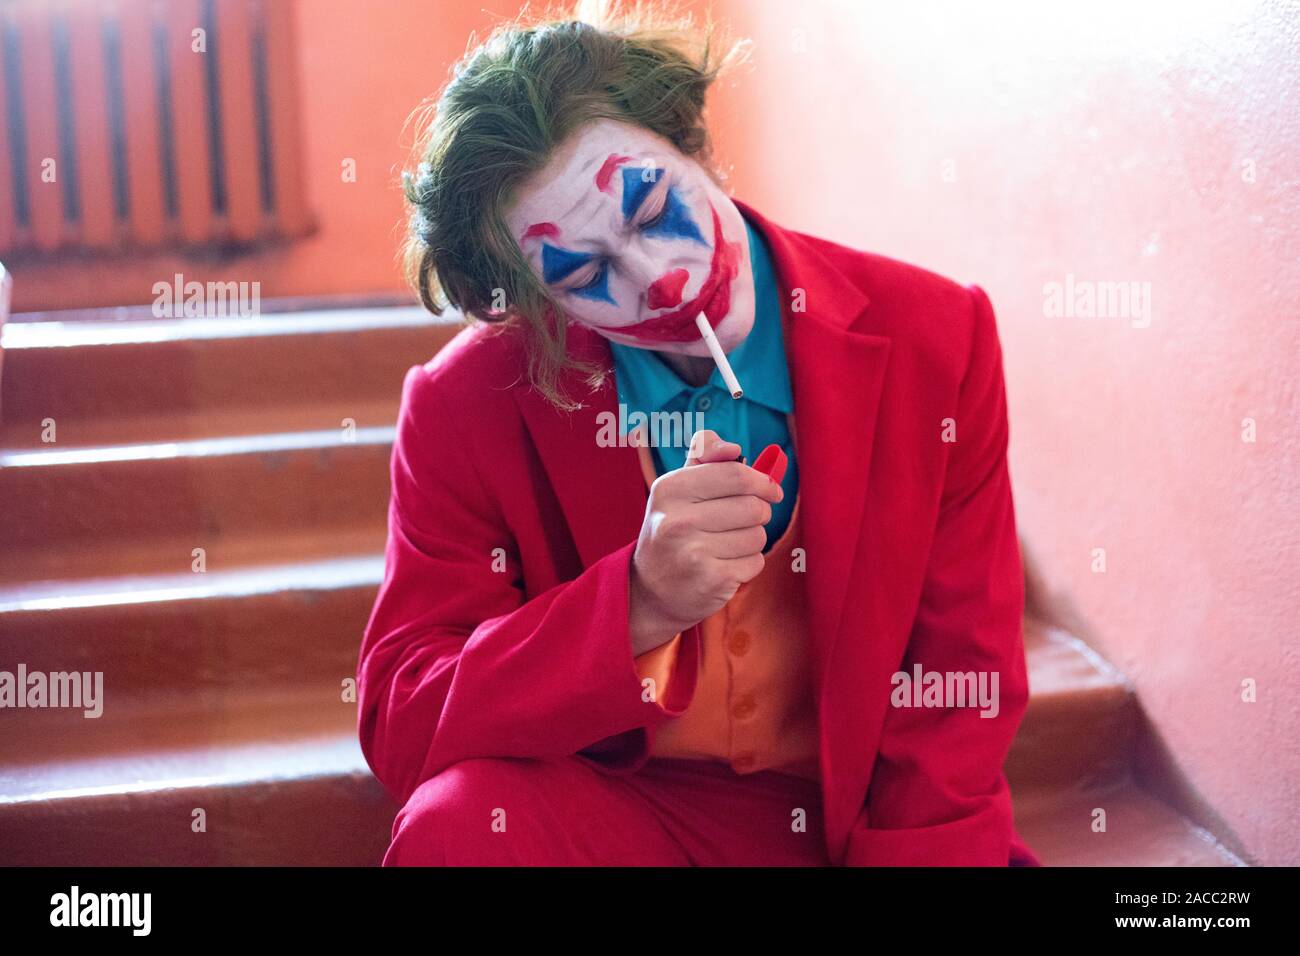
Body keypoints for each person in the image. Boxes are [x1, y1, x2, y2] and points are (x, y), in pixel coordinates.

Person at [358, 1, 1040, 866]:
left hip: (845, 822)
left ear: (693, 143)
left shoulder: (935, 337)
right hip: (621, 813)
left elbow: (961, 681)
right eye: (583, 270)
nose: (658, 278)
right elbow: (403, 715)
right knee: (456, 825)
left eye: (651, 208)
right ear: (541, 301)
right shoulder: (466, 401)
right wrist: (635, 603)